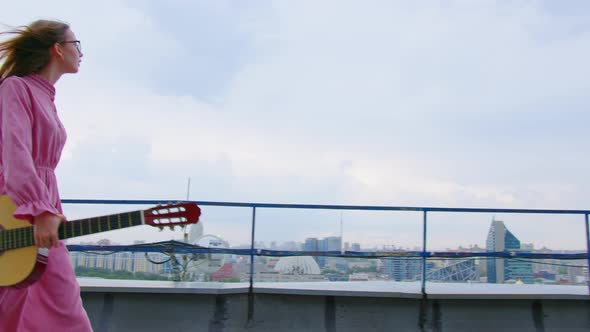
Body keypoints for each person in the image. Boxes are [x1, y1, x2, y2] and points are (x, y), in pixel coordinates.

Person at [0, 20, 92, 331]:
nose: (80, 53)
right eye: (76, 45)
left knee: (57, 299)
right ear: (57, 48)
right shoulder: (16, 87)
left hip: (43, 207)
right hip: (17, 208)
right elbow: (16, 154)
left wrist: (45, 208)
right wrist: (39, 208)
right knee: (20, 302)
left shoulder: (47, 97)